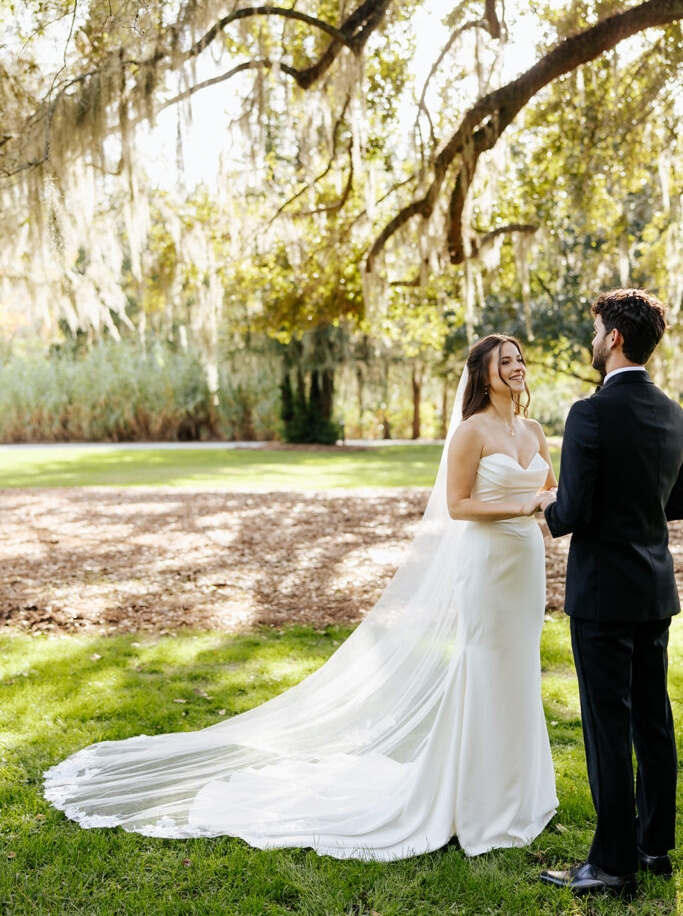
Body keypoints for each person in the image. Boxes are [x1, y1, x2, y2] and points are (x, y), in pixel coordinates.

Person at [45, 334, 557, 860]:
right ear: (483, 374)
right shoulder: (471, 432)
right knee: (484, 667)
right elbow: (458, 506)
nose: (516, 366)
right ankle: (477, 801)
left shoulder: (534, 430)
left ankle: (521, 793)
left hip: (525, 563)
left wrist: (554, 502)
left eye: (519, 358)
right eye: (504, 361)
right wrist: (521, 507)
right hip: (486, 564)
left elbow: (551, 491)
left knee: (519, 667)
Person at [538, 288, 683, 898]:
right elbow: (674, 501)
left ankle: (612, 865)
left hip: (601, 594)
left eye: (597, 330)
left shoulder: (589, 413)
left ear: (614, 338)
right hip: (654, 588)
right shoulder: (673, 412)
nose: (593, 339)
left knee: (607, 728)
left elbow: (570, 512)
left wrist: (547, 504)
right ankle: (653, 849)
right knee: (653, 720)